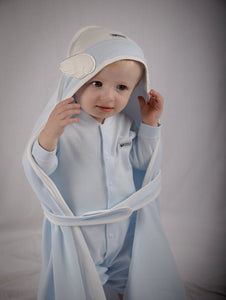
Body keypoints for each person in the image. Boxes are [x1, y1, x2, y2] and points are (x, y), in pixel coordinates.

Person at [23, 26, 185, 300]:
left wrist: (149, 125)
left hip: (123, 223)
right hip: (83, 229)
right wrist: (49, 134)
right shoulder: (65, 126)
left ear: (134, 90)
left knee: (125, 273)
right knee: (86, 280)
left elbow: (141, 165)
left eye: (122, 87)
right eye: (96, 83)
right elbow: (42, 171)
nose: (108, 97)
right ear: (76, 82)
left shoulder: (124, 124)